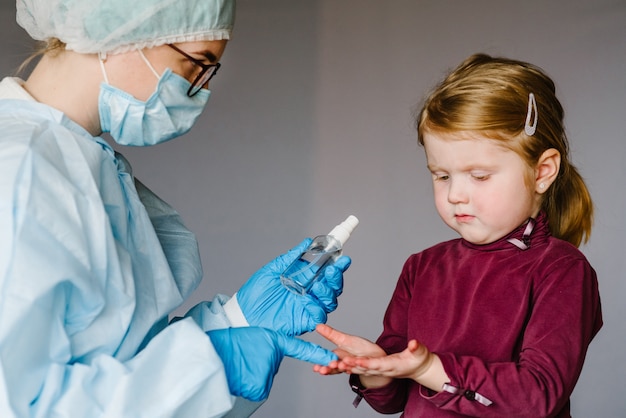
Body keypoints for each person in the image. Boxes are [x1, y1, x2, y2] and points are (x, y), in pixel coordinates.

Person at [0, 0, 351, 416]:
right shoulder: (23, 170)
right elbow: (21, 402)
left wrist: (236, 321)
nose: (200, 90)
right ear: (122, 29)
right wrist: (214, 367)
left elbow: (119, 357)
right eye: (197, 63)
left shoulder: (81, 163)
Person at [313, 53, 603, 417]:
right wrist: (376, 371)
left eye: (479, 176)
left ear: (543, 172)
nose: (454, 195)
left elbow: (537, 398)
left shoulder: (561, 270)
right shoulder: (422, 268)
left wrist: (427, 368)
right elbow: (396, 401)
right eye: (442, 175)